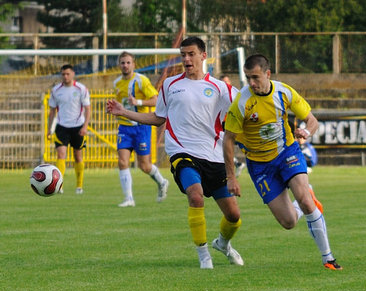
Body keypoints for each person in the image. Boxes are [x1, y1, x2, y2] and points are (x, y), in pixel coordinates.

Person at [107, 37, 243, 269]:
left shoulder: (221, 88)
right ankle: (203, 255)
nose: (186, 59)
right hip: (182, 152)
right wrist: (124, 112)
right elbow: (159, 118)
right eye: (183, 55)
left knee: (233, 216)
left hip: (213, 156)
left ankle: (223, 244)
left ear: (203, 55)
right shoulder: (170, 85)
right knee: (196, 195)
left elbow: (244, 109)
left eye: (191, 54)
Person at [222, 54, 342, 270]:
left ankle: (328, 258)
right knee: (289, 222)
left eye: (255, 77)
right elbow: (228, 140)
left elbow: (312, 121)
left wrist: (306, 131)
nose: (251, 83)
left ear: (268, 74)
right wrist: (231, 177)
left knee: (306, 201)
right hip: (259, 166)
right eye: (248, 77)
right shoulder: (242, 102)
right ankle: (308, 194)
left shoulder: (284, 92)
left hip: (287, 152)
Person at [112, 51, 169, 207]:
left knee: (144, 166)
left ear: (133, 64)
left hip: (141, 127)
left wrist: (137, 101)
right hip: (124, 127)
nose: (125, 65)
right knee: (122, 162)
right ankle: (129, 198)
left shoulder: (141, 81)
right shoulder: (117, 83)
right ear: (119, 65)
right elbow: (120, 104)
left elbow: (156, 100)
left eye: (128, 62)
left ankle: (162, 181)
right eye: (122, 62)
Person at [47, 64, 91, 195]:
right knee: (61, 155)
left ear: (73, 74)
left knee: (78, 157)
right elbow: (52, 111)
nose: (65, 76)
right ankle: (59, 185)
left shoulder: (81, 89)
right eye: (63, 74)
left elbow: (88, 108)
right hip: (62, 127)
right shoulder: (56, 90)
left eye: (67, 74)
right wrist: (50, 128)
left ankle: (79, 186)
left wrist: (85, 127)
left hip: (78, 127)